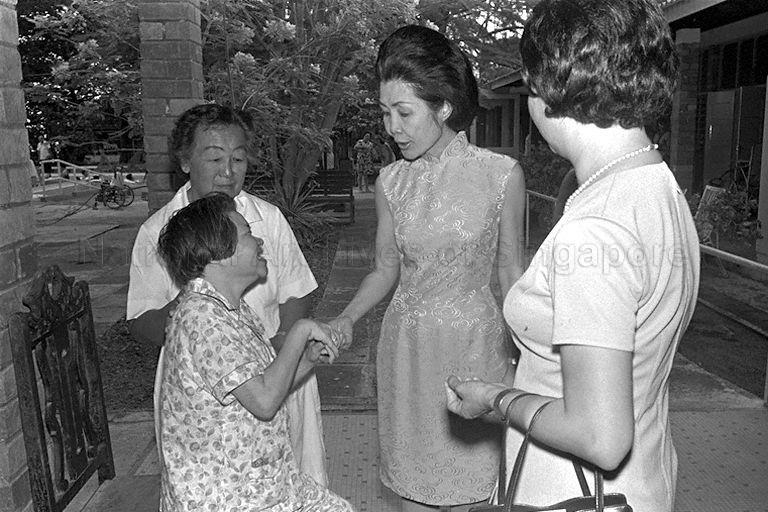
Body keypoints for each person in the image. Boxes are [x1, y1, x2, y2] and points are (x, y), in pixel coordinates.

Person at [445, 2, 699, 512]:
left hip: (572, 495)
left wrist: (494, 399)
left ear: (549, 86)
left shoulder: (596, 230)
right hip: (644, 481)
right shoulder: (657, 186)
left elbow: (599, 436)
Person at [330, 25, 526, 511]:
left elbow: (511, 274)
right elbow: (384, 268)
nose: (392, 127)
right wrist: (346, 318)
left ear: (443, 108)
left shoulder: (501, 175)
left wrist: (531, 350)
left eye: (404, 112)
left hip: (476, 348)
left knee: (474, 490)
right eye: (385, 113)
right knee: (411, 488)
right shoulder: (390, 182)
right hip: (407, 349)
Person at [126, 104, 329, 486]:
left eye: (238, 158)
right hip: (200, 393)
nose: (228, 172)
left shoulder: (267, 218)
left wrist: (282, 344)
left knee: (288, 475)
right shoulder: (158, 232)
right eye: (215, 158)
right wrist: (198, 297)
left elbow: (295, 289)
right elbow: (141, 320)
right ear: (185, 161)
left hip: (278, 368)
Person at [154, 192, 353, 511]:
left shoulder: (229, 309)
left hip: (257, 483)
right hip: (224, 497)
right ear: (218, 254)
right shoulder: (202, 319)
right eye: (247, 233)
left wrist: (306, 359)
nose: (259, 241)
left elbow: (260, 385)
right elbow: (263, 402)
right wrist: (300, 331)